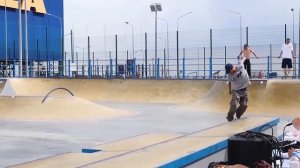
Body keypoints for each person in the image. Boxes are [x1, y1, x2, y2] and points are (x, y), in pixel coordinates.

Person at [225, 56, 250, 122]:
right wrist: (230, 90)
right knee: (234, 104)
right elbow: (229, 82)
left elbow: (243, 59)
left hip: (244, 88)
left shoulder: (240, 65)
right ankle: (230, 117)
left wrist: (244, 57)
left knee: (244, 105)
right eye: (229, 72)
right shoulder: (230, 75)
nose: (230, 73)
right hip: (236, 90)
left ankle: (238, 115)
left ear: (233, 67)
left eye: (230, 71)